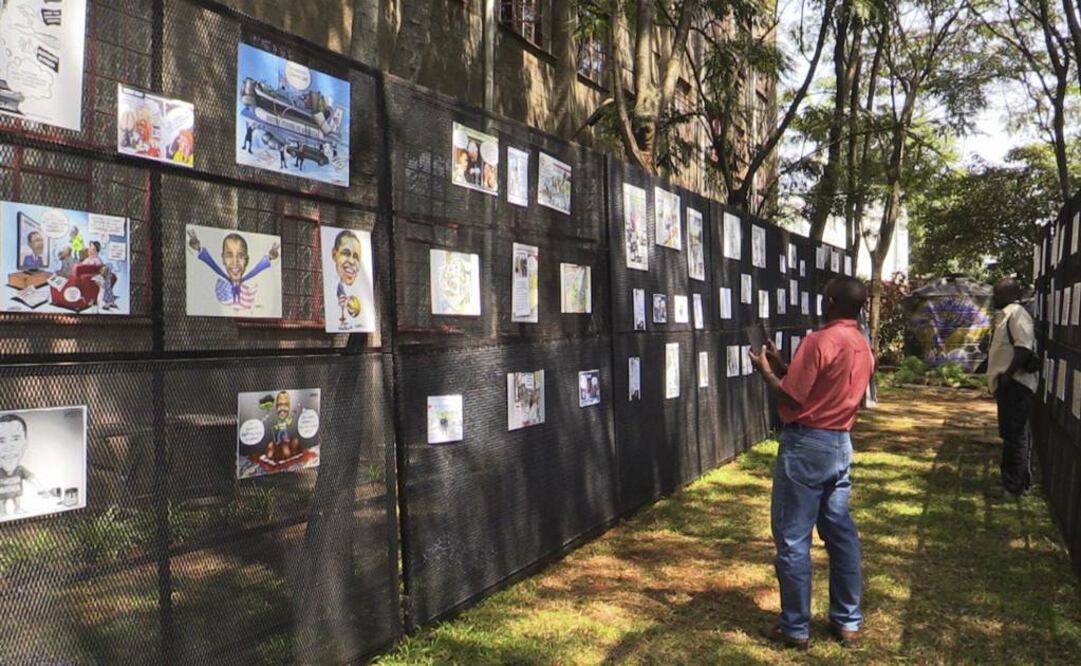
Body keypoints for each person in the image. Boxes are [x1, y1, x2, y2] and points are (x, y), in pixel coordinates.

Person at [747, 276, 874, 651]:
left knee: (793, 536)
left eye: (824, 297)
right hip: (840, 444)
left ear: (831, 302)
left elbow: (795, 397)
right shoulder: (861, 345)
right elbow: (822, 387)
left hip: (806, 445)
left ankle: (795, 627)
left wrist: (766, 370)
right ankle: (847, 620)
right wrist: (785, 363)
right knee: (840, 533)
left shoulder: (819, 341)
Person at [986, 277, 1037, 497]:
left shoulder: (1017, 315)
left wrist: (1008, 375)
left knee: (1015, 435)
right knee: (1011, 434)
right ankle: (1013, 481)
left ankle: (1014, 485)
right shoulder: (1005, 316)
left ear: (1009, 294)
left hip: (1016, 384)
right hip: (1008, 385)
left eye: (998, 294)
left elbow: (1023, 349)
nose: (994, 298)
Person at [186, 228, 279, 308]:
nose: (235, 262)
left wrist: (270, 257)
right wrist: (198, 248)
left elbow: (258, 269)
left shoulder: (252, 278)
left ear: (247, 260)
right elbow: (211, 263)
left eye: (241, 255)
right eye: (229, 255)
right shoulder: (217, 275)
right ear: (223, 258)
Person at [0, 413, 35, 517]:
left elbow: (32, 479)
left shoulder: (20, 469)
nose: (9, 447)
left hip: (16, 492)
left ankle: (18, 508)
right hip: (2, 494)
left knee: (17, 499)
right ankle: (2, 511)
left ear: (26, 442)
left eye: (15, 439)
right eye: (1, 440)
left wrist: (42, 489)